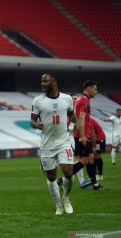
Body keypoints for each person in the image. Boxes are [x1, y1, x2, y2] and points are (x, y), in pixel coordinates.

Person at [31, 73, 75, 215]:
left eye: (45, 81)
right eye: (41, 81)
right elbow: (32, 120)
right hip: (47, 144)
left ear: (54, 82)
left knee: (68, 173)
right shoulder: (38, 101)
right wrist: (36, 124)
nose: (42, 84)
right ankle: (58, 205)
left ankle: (66, 199)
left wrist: (78, 124)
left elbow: (71, 114)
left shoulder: (67, 99)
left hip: (64, 142)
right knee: (51, 177)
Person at [72, 80, 104, 190]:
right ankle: (63, 179)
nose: (96, 91)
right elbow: (81, 118)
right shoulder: (84, 101)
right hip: (82, 134)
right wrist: (82, 136)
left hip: (84, 134)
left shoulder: (82, 100)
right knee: (85, 160)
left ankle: (95, 185)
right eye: (94, 89)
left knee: (91, 159)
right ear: (89, 88)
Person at [67, 93, 90, 188]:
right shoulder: (68, 110)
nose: (76, 99)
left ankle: (76, 180)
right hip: (70, 137)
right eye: (74, 98)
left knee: (76, 158)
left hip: (74, 136)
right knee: (76, 158)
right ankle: (79, 181)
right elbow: (67, 123)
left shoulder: (76, 109)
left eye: (76, 98)